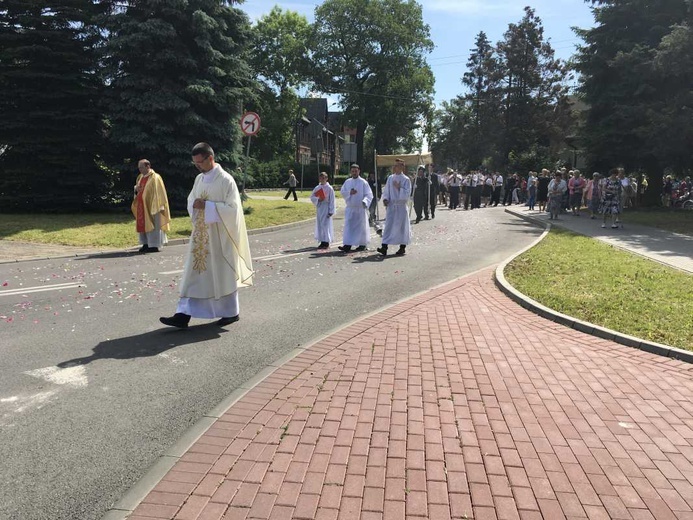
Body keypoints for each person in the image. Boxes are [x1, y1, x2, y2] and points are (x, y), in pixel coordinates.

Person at [159, 142, 253, 328]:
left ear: (210, 158)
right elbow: (191, 199)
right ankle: (183, 314)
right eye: (195, 163)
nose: (197, 166)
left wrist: (208, 206)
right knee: (193, 275)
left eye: (200, 162)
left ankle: (231, 312)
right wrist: (195, 204)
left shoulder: (226, 180)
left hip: (220, 238)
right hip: (200, 238)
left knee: (221, 275)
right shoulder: (199, 179)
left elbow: (234, 210)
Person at [131, 159, 171, 253]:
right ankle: (146, 243)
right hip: (142, 205)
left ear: (147, 166)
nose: (139, 169)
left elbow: (159, 192)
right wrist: (136, 188)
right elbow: (138, 188)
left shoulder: (155, 177)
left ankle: (154, 245)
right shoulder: (140, 177)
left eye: (141, 167)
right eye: (139, 167)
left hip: (153, 206)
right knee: (143, 225)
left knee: (154, 225)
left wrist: (157, 204)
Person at [377, 159, 411, 256]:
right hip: (392, 206)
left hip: (401, 206)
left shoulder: (406, 179)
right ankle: (384, 247)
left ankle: (402, 247)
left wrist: (399, 188)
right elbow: (386, 190)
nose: (394, 167)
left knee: (401, 227)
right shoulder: (390, 178)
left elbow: (407, 194)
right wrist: (385, 199)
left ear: (402, 167)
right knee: (388, 226)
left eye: (397, 165)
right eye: (394, 165)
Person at [339, 163, 373, 252]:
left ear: (359, 171)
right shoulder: (348, 182)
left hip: (360, 208)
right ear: (351, 172)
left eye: (356, 171)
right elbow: (343, 191)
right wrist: (349, 193)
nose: (354, 173)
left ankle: (362, 244)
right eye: (352, 171)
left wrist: (365, 201)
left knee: (361, 227)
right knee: (349, 226)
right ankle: (347, 244)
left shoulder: (363, 182)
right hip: (351, 208)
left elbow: (369, 194)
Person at [310, 172, 336, 249]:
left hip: (326, 207)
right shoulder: (317, 188)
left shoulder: (329, 188)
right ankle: (322, 241)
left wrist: (331, 211)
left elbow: (332, 200)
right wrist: (318, 199)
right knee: (320, 224)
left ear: (327, 178)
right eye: (321, 178)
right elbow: (312, 197)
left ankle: (326, 241)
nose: (322, 179)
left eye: (324, 177)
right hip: (320, 207)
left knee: (326, 225)